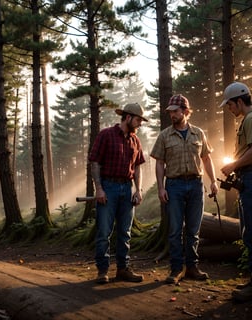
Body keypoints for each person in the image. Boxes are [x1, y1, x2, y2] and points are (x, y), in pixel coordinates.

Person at [150, 94, 219, 284]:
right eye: (170, 112)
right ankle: (175, 269)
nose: (172, 114)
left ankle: (192, 267)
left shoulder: (199, 133)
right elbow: (159, 163)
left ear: (186, 112)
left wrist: (213, 181)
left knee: (193, 230)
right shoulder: (164, 135)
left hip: (196, 185)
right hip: (174, 186)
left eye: (175, 111)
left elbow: (206, 158)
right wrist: (161, 188)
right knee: (174, 230)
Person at [89, 103, 147, 284]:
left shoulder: (135, 140)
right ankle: (102, 271)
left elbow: (137, 167)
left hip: (127, 188)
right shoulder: (106, 135)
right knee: (104, 231)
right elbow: (95, 162)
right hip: (108, 187)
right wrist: (99, 188)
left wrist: (138, 190)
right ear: (128, 117)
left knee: (125, 232)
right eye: (138, 120)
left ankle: (123, 269)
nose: (139, 124)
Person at [219, 82, 252, 302]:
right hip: (246, 178)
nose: (229, 109)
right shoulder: (245, 121)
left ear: (239, 101)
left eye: (230, 105)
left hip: (251, 177)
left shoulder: (250, 119)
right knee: (247, 231)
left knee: (251, 231)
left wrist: (233, 165)